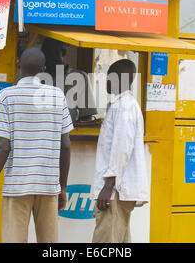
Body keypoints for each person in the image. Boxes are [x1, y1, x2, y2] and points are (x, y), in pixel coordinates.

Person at [0, 47, 73, 243]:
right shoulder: (57, 96)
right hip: (48, 185)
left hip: (17, 186)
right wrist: (63, 187)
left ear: (18, 65)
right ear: (43, 68)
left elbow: (3, 147)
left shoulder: (6, 97)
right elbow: (66, 145)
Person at [91, 59, 149, 243]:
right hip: (118, 188)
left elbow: (121, 148)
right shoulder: (124, 104)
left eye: (110, 76)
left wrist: (108, 187)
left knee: (105, 241)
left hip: (116, 189)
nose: (107, 80)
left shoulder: (124, 106)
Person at [40, 37, 97, 124]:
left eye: (53, 55)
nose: (48, 59)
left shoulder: (80, 78)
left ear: (63, 53)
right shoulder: (38, 79)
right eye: (46, 55)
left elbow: (87, 116)